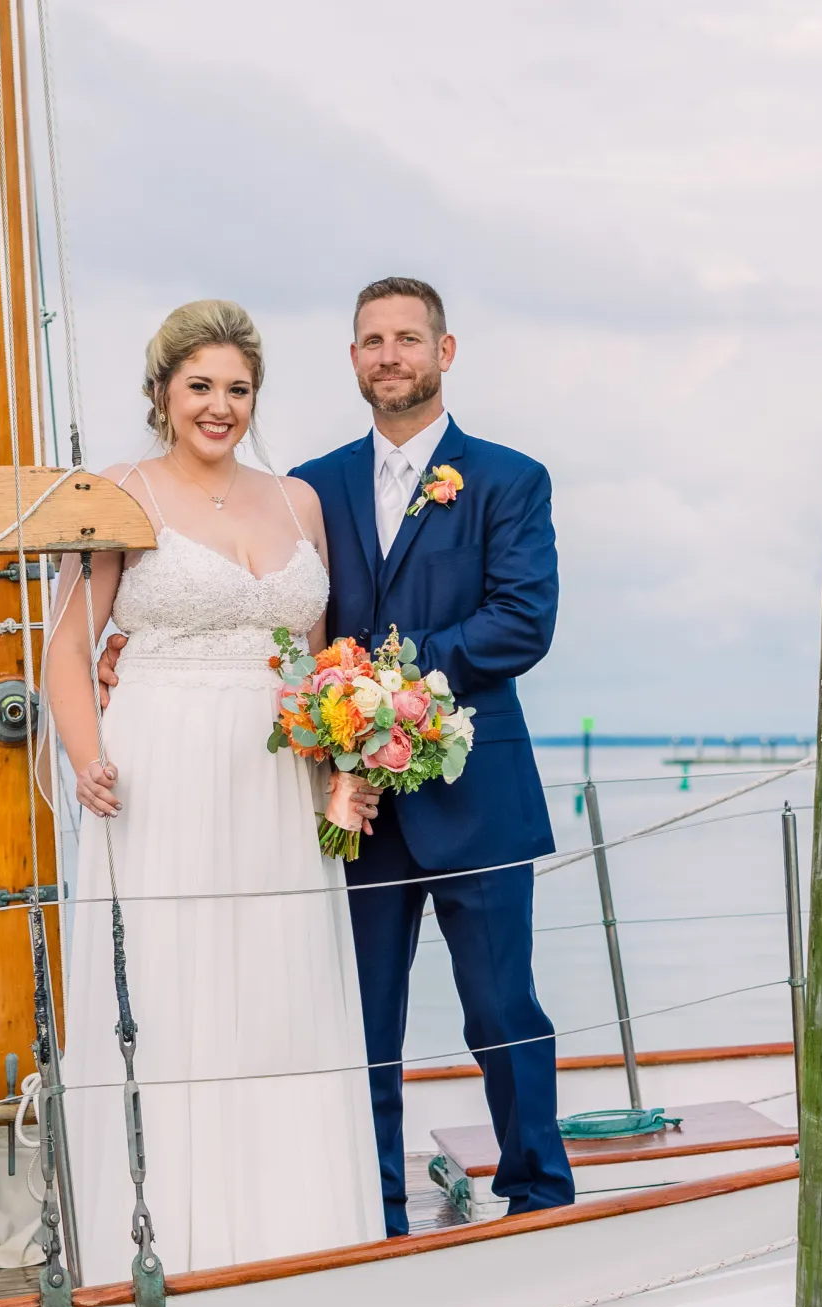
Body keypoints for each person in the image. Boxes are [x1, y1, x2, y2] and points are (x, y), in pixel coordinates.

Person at [40, 299, 383, 1279]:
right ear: (163, 393)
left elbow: (318, 658)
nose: (220, 407)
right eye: (201, 387)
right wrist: (84, 754)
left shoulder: (298, 504)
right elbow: (71, 645)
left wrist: (345, 762)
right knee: (173, 994)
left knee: (281, 998)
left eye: (237, 390)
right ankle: (165, 1245)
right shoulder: (120, 492)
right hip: (162, 769)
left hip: (278, 780)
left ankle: (299, 1237)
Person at [290, 278, 574, 1235]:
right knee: (365, 1025)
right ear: (355, 357)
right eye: (372, 340)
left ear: (445, 353)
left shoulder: (507, 479)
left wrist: (397, 684)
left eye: (408, 339)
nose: (390, 356)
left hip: (475, 789)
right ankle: (378, 1211)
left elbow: (521, 623)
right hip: (354, 805)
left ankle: (538, 1194)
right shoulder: (311, 486)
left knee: (503, 1010)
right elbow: (291, 622)